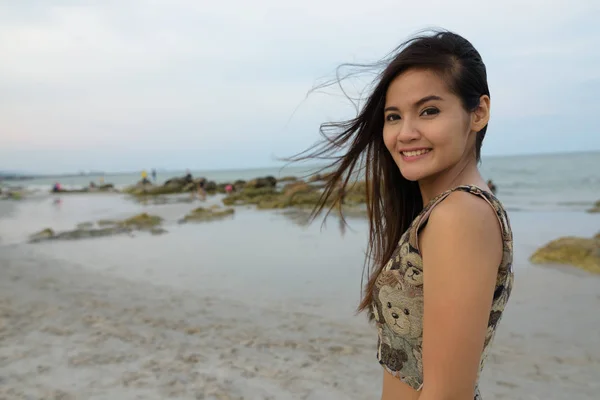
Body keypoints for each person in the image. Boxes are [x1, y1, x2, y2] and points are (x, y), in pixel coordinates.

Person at [290, 30, 513, 400]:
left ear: (478, 113)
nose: (405, 133)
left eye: (429, 111)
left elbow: (447, 395)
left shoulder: (459, 215)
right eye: (393, 117)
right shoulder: (451, 211)